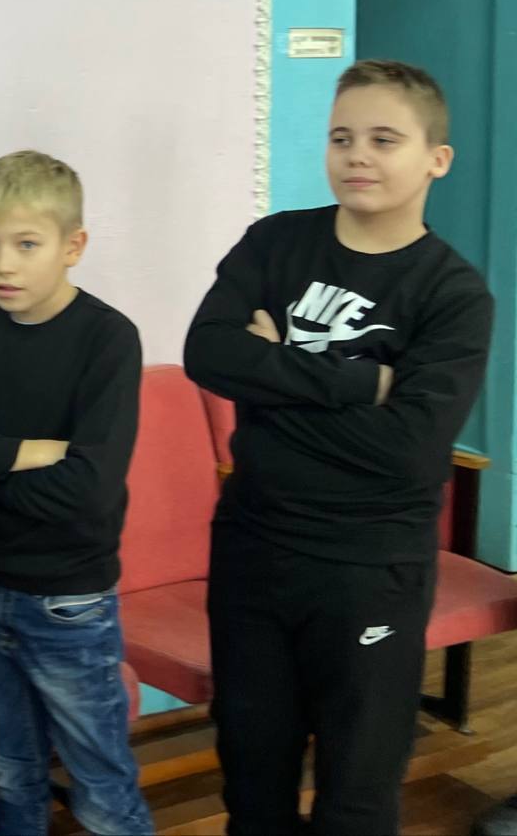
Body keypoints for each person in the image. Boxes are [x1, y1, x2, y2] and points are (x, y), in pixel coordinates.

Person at [185, 59, 494, 836]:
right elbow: (207, 353)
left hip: (369, 570)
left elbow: (411, 450)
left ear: (436, 159)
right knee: (252, 782)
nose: (357, 155)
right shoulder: (275, 243)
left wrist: (270, 376)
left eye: (383, 139)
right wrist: (359, 383)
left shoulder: (453, 294)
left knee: (355, 796)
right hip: (254, 552)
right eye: (341, 137)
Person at [0, 150, 153, 836]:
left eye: (25, 244)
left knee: (102, 790)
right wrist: (33, 453)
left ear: (73, 246)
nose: (2, 265)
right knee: (11, 771)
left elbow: (87, 488)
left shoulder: (108, 340)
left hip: (67, 600)